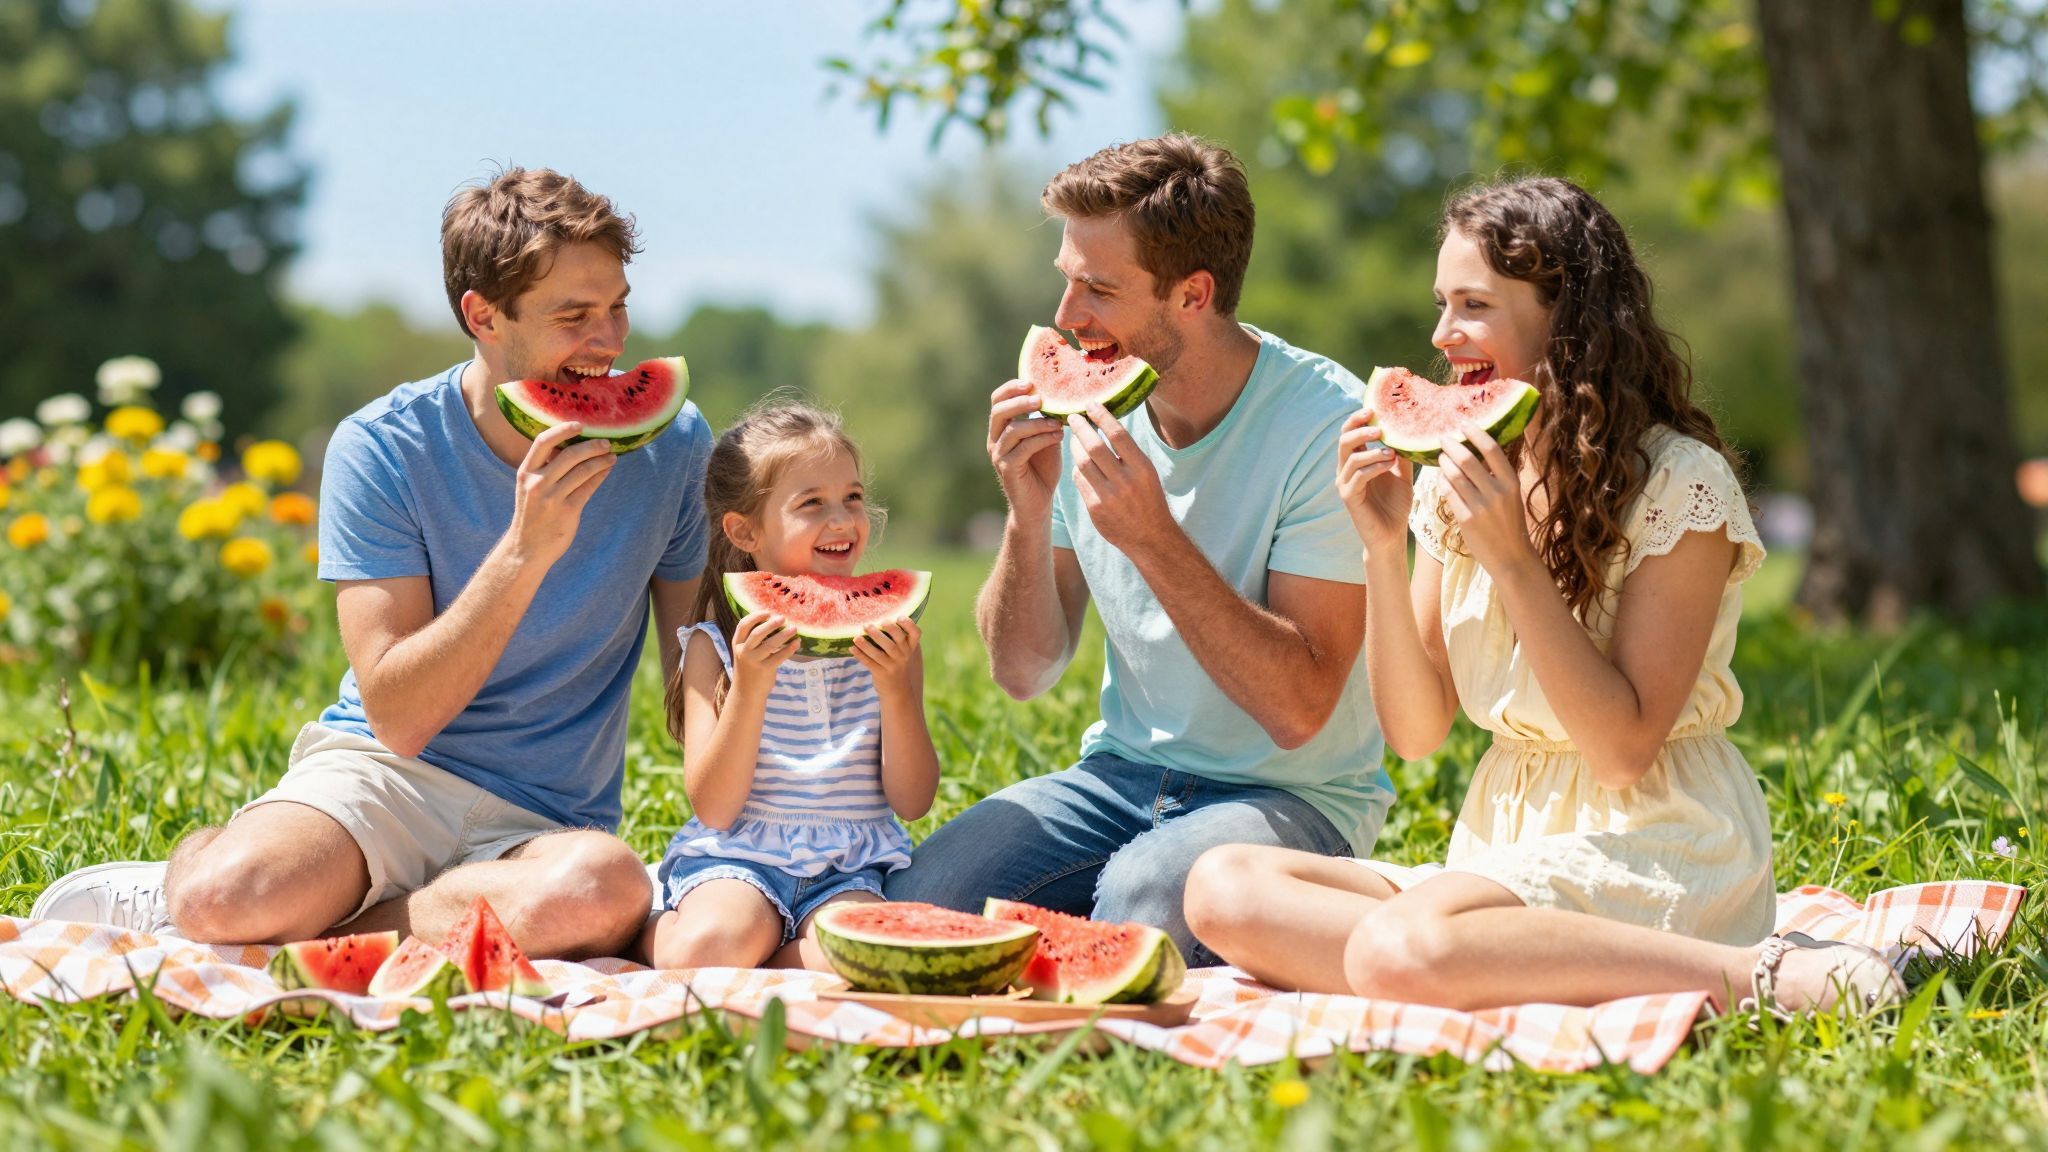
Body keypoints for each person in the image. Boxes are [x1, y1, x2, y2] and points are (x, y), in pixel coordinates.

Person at [1182, 176, 1902, 1014]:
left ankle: (1760, 977)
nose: (1441, 335)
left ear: (1567, 315)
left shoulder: (1679, 484)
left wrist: (1516, 564)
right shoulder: (1466, 482)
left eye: (1473, 305)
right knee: (1224, 886)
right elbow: (1416, 735)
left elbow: (1621, 750)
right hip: (1504, 843)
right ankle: (1480, 962)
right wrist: (1382, 547)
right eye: (1442, 303)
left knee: (1403, 945)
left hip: (1658, 835)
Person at [32, 168, 713, 961]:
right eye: (575, 316)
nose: (611, 342)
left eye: (618, 306)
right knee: (222, 897)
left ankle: (331, 925)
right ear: (482, 315)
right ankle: (186, 880)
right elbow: (400, 715)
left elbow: (693, 673)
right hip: (387, 779)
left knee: (605, 891)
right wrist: (526, 550)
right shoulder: (383, 447)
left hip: (548, 824)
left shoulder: (672, 446)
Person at [885, 135, 1391, 966]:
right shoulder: (1091, 411)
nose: (1065, 318)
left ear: (1193, 294)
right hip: (1120, 776)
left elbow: (1300, 710)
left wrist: (1155, 538)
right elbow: (1024, 671)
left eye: (1100, 289)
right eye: (1067, 280)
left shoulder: (1324, 425)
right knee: (921, 904)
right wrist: (1026, 510)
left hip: (1294, 798)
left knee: (1141, 902)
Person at [640, 401, 935, 970]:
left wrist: (896, 692)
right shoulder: (714, 647)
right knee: (712, 944)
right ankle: (656, 931)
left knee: (875, 955)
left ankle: (768, 958)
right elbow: (715, 807)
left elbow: (913, 800)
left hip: (852, 865)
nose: (843, 520)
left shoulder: (890, 643)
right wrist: (749, 687)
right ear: (744, 530)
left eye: (852, 497)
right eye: (812, 505)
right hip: (741, 857)